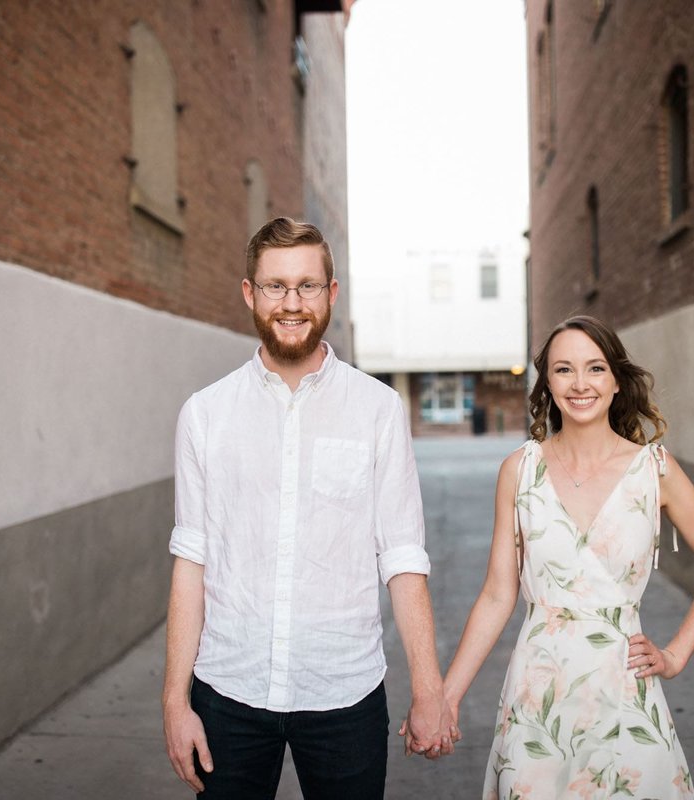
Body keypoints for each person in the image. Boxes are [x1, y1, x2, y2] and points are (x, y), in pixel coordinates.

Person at [161, 217, 453, 798]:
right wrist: (175, 700)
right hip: (228, 689)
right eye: (275, 286)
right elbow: (192, 560)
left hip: (344, 689)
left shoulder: (378, 409)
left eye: (307, 286)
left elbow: (402, 556)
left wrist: (429, 687)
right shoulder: (205, 414)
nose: (291, 303)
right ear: (250, 293)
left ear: (332, 294)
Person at [440, 315, 694, 798]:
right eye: (564, 370)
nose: (580, 384)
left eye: (595, 368)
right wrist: (446, 698)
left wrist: (675, 655)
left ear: (616, 380)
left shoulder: (654, 470)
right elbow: (498, 595)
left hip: (624, 691)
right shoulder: (519, 471)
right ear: (548, 383)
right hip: (538, 698)